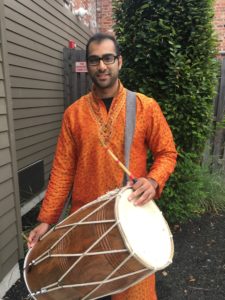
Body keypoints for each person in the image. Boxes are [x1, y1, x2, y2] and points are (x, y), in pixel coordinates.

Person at [28, 33, 177, 300]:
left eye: (108, 58)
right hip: (85, 226)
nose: (102, 66)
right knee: (84, 292)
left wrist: (154, 181)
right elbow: (62, 170)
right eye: (94, 60)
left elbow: (167, 153)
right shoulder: (74, 114)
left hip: (131, 224)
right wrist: (46, 220)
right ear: (87, 65)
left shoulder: (145, 107)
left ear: (119, 61)